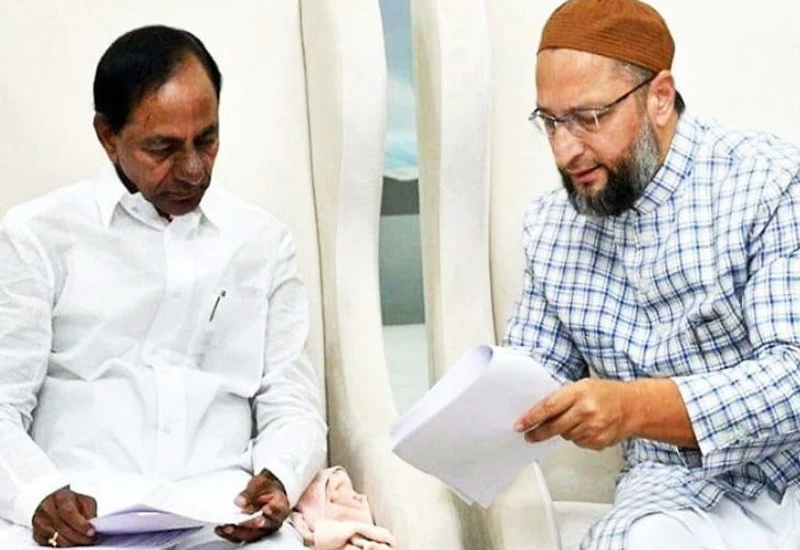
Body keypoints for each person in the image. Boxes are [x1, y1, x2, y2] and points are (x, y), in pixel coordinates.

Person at [0, 25, 326, 549]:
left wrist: (279, 476)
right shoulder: (37, 237)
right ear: (108, 136)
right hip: (80, 519)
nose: (193, 170)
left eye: (208, 140)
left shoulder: (261, 242)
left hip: (224, 520)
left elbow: (291, 400)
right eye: (163, 148)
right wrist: (36, 494)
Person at [504, 0, 800, 548]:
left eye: (589, 118)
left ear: (660, 97)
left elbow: (794, 381)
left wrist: (634, 406)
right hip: (671, 494)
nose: (566, 151)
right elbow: (527, 381)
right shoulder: (551, 228)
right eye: (551, 122)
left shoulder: (769, 184)